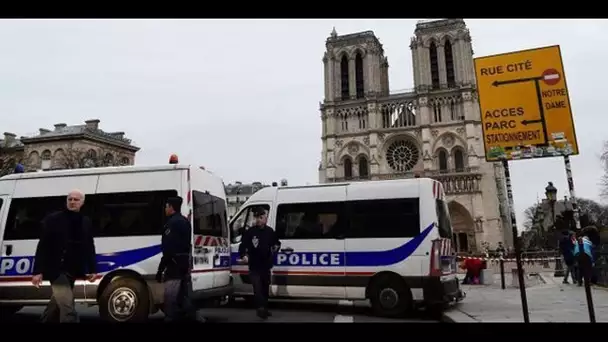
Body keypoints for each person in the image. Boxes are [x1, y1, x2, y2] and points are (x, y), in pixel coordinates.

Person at [31, 189, 97, 323]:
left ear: (82, 203)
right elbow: (43, 246)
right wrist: (37, 271)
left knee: (55, 307)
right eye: (70, 199)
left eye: (76, 200)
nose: (72, 202)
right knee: (68, 309)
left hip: (72, 270)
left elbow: (89, 246)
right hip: (56, 270)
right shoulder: (53, 219)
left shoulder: (85, 221)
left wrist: (91, 269)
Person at [156, 196, 198, 322]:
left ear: (171, 207)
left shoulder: (171, 224)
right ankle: (194, 316)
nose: (165, 209)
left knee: (170, 298)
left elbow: (168, 249)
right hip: (184, 263)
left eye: (166, 206)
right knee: (183, 295)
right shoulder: (185, 222)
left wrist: (160, 269)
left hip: (174, 265)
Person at [237, 207, 281, 319]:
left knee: (265, 288)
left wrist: (276, 248)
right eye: (257, 217)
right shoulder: (250, 232)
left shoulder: (270, 231)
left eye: (261, 217)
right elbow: (243, 246)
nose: (258, 220)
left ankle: (264, 308)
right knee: (257, 288)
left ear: (265, 218)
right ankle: (260, 308)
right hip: (254, 265)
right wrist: (244, 256)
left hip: (266, 265)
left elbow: (276, 243)